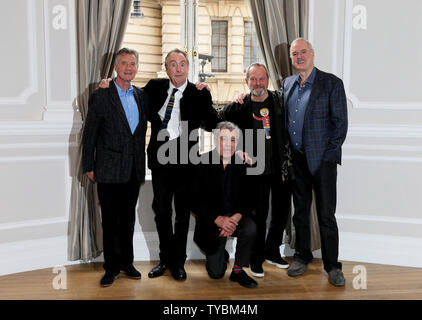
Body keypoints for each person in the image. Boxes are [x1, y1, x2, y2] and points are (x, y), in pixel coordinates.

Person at [143, 49, 218, 280]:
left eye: (182, 64)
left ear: (188, 68)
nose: (178, 68)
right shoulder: (154, 88)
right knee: (161, 211)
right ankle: (165, 258)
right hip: (161, 161)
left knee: (183, 214)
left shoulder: (199, 94)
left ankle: (179, 263)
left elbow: (215, 123)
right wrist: (109, 83)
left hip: (187, 163)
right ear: (166, 69)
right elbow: (131, 96)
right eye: (173, 64)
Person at [283, 38, 348, 286]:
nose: (299, 56)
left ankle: (332, 266)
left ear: (312, 54)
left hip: (323, 161)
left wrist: (328, 158)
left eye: (303, 52)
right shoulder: (288, 83)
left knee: (326, 215)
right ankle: (301, 256)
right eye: (294, 53)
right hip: (297, 161)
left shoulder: (332, 84)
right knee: (300, 213)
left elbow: (340, 126)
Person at [82, 48, 148, 287]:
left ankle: (126, 262)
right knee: (110, 220)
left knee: (128, 219)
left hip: (133, 169)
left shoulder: (141, 96)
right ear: (116, 68)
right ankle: (110, 267)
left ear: (136, 67)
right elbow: (90, 134)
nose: (129, 67)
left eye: (133, 63)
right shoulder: (101, 96)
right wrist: (89, 165)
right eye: (124, 64)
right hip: (107, 169)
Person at [222, 63, 293, 278]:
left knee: (280, 213)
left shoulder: (279, 101)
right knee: (259, 215)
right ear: (247, 81)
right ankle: (256, 258)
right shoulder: (241, 105)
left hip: (280, 166)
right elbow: (221, 118)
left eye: (262, 79)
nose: (258, 83)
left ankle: (272, 251)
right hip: (254, 168)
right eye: (253, 79)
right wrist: (234, 99)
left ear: (267, 80)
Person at [191, 122, 257, 288]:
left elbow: (250, 198)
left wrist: (236, 217)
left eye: (233, 140)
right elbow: (194, 200)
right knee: (216, 273)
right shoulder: (201, 162)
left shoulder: (243, 163)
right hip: (212, 222)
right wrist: (217, 219)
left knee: (250, 227)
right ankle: (220, 255)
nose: (228, 144)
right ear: (215, 140)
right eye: (223, 139)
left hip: (235, 217)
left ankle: (237, 270)